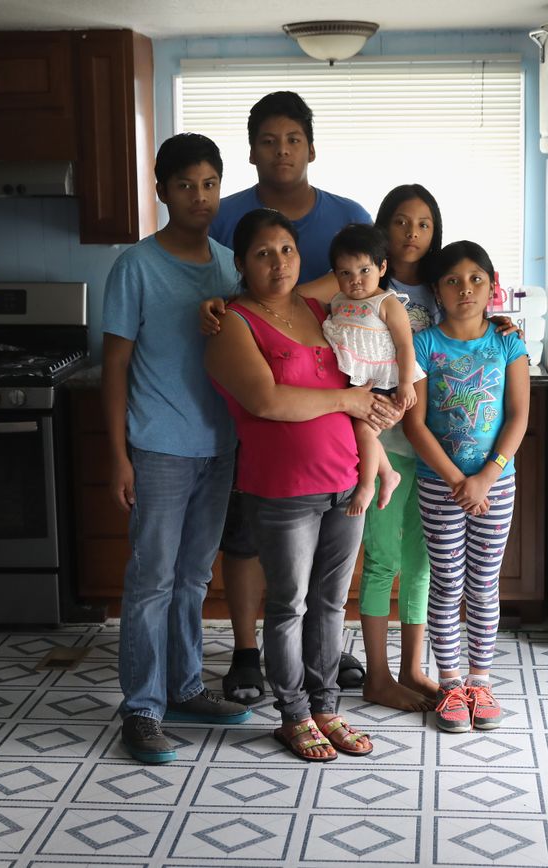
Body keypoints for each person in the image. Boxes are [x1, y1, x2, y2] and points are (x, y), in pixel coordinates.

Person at [206, 208, 389, 761]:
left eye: (286, 249)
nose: (277, 261)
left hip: (345, 482)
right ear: (240, 264)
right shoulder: (231, 324)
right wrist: (349, 400)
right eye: (262, 253)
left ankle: (326, 706)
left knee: (332, 603)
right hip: (284, 490)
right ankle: (293, 714)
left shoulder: (320, 309)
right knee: (288, 606)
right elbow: (266, 400)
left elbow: (376, 275)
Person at [207, 91, 372, 702]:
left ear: (311, 147)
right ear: (251, 152)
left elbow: (375, 285)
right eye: (269, 140)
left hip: (335, 450)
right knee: (252, 547)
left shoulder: (345, 216)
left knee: (322, 588)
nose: (282, 151)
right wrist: (215, 308)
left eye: (293, 139)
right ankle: (251, 656)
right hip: (256, 428)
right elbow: (209, 285)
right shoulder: (224, 217)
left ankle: (317, 675)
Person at [101, 133, 252, 765]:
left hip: (219, 445)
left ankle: (186, 687)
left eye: (210, 183)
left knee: (193, 577)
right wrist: (118, 455)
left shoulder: (228, 265)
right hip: (158, 447)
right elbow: (115, 368)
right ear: (161, 190)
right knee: (151, 581)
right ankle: (141, 706)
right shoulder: (135, 266)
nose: (200, 196)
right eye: (185, 184)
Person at [403, 240, 530, 733]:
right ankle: (451, 683)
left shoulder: (507, 343)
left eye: (477, 279)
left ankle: (481, 680)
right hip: (442, 486)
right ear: (437, 289)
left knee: (482, 583)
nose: (466, 289)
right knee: (447, 580)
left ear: (493, 286)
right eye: (453, 280)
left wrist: (487, 476)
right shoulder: (425, 344)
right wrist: (460, 481)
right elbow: (415, 426)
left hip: (496, 485)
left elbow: (519, 417)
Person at [355, 185, 447, 711]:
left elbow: (475, 329)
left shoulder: (442, 288)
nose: (412, 233)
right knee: (383, 560)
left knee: (421, 563)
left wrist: (501, 324)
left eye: (424, 224)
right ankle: (378, 676)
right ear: (383, 228)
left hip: (433, 450)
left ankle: (413, 669)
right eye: (401, 221)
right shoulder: (364, 286)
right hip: (382, 448)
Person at [321, 223, 420, 516]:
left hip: (382, 380)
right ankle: (388, 473)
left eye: (364, 270)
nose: (355, 280)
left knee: (363, 431)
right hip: (352, 383)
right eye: (345, 273)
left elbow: (405, 345)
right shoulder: (338, 302)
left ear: (382, 266)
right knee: (355, 432)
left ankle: (368, 484)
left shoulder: (387, 303)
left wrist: (405, 383)